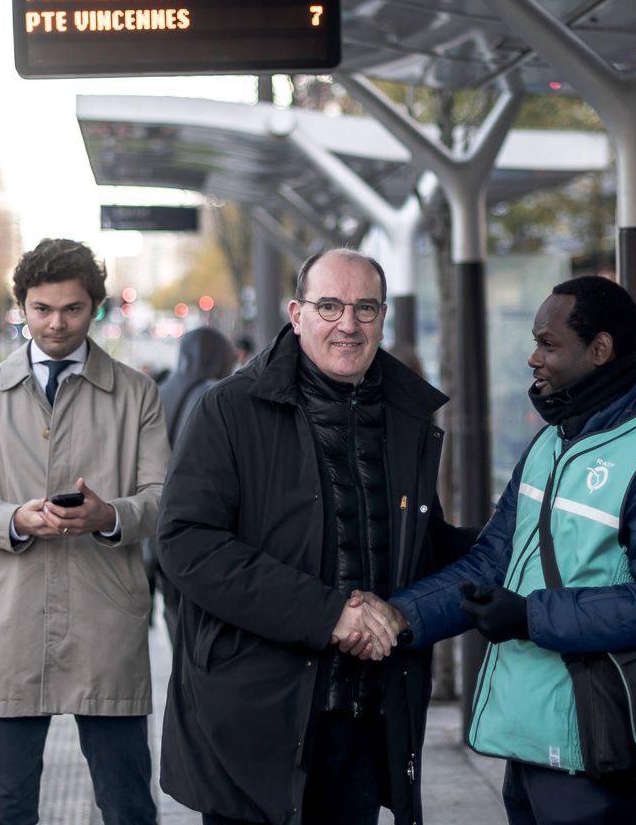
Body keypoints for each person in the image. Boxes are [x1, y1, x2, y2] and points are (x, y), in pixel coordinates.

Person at [375, 275, 636, 825]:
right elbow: (492, 561)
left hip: (598, 746)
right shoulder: (554, 441)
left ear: (599, 350)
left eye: (549, 344)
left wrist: (530, 615)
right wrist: (397, 618)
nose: (534, 358)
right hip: (534, 739)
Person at [156, 248, 475, 825]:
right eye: (329, 306)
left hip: (364, 719)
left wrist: (515, 541)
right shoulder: (228, 409)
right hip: (253, 718)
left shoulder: (407, 416)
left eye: (364, 308)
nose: (347, 324)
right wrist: (330, 613)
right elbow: (186, 544)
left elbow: (416, 544)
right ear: (296, 313)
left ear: (383, 317)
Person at [0, 238, 169, 825]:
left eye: (71, 309)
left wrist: (108, 516)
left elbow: (164, 500)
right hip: (9, 623)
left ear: (95, 307)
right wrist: (13, 518)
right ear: (21, 306)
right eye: (42, 309)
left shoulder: (137, 394)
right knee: (6, 809)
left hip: (105, 622)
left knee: (127, 805)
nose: (56, 323)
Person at [149, 326, 236, 637]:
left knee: (173, 612)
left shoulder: (160, 389)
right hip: (196, 525)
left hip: (157, 523)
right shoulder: (213, 394)